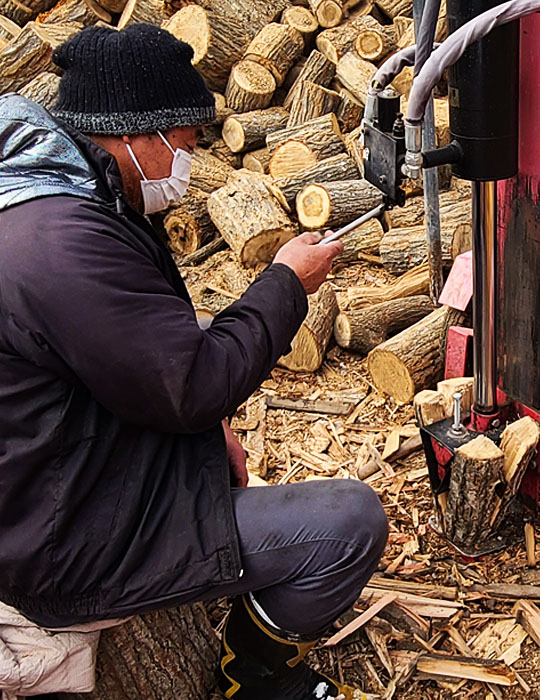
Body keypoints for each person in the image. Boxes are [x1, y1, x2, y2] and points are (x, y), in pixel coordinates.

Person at [0, 23, 388, 700]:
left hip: (56, 489)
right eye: (184, 143)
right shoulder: (64, 245)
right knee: (350, 524)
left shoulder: (52, 202)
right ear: (136, 135)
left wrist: (210, 435)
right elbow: (196, 384)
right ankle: (256, 677)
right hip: (66, 547)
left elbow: (145, 356)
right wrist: (286, 284)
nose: (190, 158)